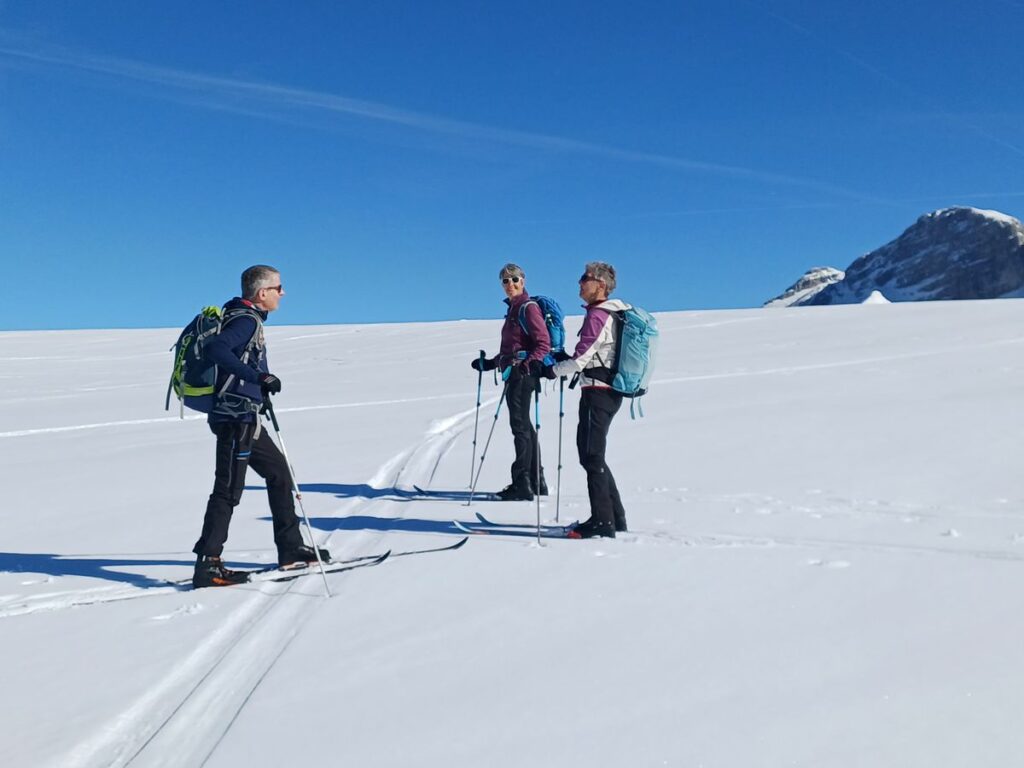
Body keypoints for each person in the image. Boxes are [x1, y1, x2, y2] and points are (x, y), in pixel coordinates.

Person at [191, 265, 328, 587]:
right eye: (278, 287)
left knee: (280, 473)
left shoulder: (243, 317)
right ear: (262, 292)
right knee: (227, 490)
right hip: (234, 419)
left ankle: (290, 546)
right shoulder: (245, 319)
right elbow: (216, 349)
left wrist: (257, 389)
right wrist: (258, 378)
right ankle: (208, 564)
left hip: (245, 415)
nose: (283, 293)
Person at [548, 262, 629, 538]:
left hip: (597, 393)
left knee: (591, 457)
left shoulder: (598, 315)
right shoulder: (613, 314)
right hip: (605, 392)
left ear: (601, 285)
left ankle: (602, 522)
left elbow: (581, 360)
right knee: (595, 456)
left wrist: (551, 370)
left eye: (585, 278)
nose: (580, 283)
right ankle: (615, 517)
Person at [470, 263, 551, 501]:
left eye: (514, 279)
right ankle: (536, 482)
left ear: (523, 281)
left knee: (520, 428)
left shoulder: (528, 308)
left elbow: (542, 342)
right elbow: (512, 348)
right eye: (505, 281)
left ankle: (522, 483)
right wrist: (492, 364)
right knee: (524, 426)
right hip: (515, 372)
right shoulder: (514, 309)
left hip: (522, 375)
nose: (510, 284)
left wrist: (529, 363)